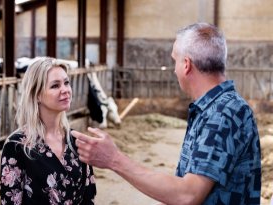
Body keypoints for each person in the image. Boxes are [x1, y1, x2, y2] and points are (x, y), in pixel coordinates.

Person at [72, 22, 261, 205]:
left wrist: (114, 159)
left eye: (175, 61)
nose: (174, 69)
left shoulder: (222, 114)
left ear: (186, 65)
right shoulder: (212, 108)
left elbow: (188, 195)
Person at [0, 57, 96, 205]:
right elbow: (11, 201)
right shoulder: (17, 145)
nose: (65, 90)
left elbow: (89, 196)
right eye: (55, 86)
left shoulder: (77, 141)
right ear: (37, 94)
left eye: (66, 83)